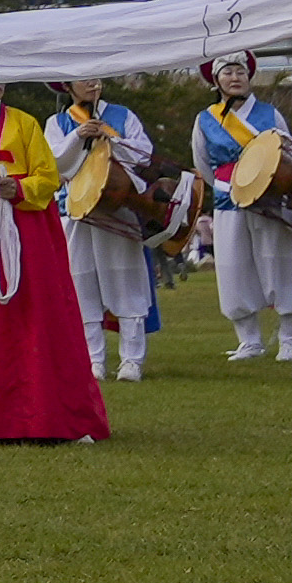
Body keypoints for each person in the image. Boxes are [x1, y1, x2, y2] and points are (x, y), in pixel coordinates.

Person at [0, 91, 109, 447]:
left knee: (35, 317)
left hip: (26, 231)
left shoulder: (24, 123)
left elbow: (48, 176)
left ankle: (44, 417)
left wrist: (20, 187)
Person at [197, 57, 292, 369]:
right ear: (217, 80)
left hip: (270, 198)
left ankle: (290, 341)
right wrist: (232, 186)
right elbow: (203, 164)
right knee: (234, 269)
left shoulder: (270, 114)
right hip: (228, 200)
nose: (235, 77)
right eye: (228, 72)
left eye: (240, 72)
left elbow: (287, 153)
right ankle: (249, 340)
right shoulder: (205, 120)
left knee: (281, 264)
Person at [52, 81, 166, 387]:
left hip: (119, 206)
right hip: (76, 210)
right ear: (68, 85)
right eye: (85, 77)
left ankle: (132, 360)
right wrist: (77, 136)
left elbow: (144, 155)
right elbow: (52, 162)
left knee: (126, 282)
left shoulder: (122, 115)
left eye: (97, 76)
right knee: (82, 283)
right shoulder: (57, 123)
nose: (93, 83)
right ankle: (93, 360)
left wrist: (112, 139)